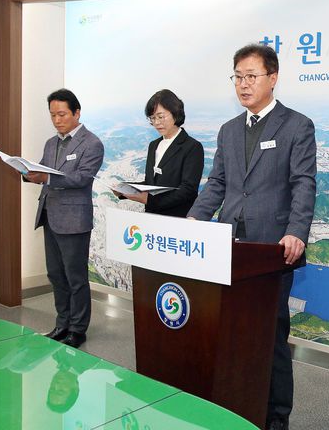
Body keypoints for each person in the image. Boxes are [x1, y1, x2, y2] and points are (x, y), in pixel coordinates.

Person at [187, 43, 317, 430]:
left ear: (272, 78)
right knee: (232, 333)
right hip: (228, 248)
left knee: (271, 337)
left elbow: (303, 183)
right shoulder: (228, 130)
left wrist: (296, 232)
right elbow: (218, 183)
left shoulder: (296, 125)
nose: (243, 84)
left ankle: (276, 418)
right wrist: (193, 219)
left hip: (272, 250)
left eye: (251, 76)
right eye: (238, 77)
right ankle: (238, 406)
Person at [25, 88, 104, 349]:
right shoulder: (51, 143)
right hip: (50, 215)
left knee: (75, 277)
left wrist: (46, 177)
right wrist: (27, 173)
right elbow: (41, 170)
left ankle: (78, 329)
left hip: (74, 219)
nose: (57, 120)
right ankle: (62, 324)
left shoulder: (92, 143)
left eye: (62, 114)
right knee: (55, 274)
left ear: (76, 113)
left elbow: (82, 178)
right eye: (53, 115)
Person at [114, 89, 203, 216]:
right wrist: (124, 189)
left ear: (175, 113)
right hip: (152, 217)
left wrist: (150, 201)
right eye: (152, 118)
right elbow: (150, 184)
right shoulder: (153, 145)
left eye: (160, 117)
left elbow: (188, 191)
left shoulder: (192, 147)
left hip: (177, 218)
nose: (156, 123)